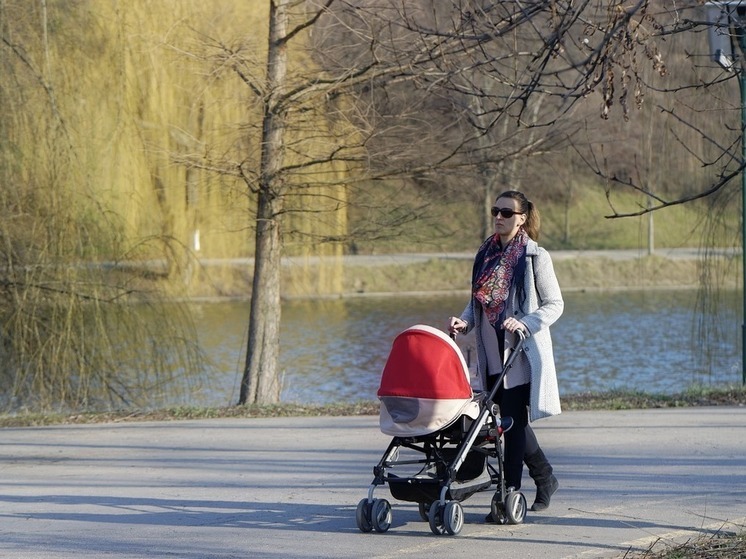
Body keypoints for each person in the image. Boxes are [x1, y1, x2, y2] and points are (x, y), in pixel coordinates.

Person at [448, 190, 563, 518]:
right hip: (490, 355)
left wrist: (526, 322)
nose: (499, 217)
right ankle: (544, 477)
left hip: (519, 355)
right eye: (495, 211)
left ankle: (509, 493)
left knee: (511, 425)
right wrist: (464, 321)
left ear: (522, 217)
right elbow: (477, 302)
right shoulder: (484, 253)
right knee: (509, 423)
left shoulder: (534, 257)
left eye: (507, 213)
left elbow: (555, 304)